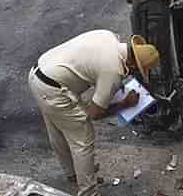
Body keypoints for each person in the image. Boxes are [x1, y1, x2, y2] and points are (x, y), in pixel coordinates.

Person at [28, 30, 160, 196]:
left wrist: (111, 90)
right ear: (133, 66)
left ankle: (74, 174)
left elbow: (93, 65)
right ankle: (88, 192)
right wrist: (125, 104)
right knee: (83, 138)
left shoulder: (109, 36)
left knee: (57, 129)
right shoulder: (113, 71)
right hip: (54, 89)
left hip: (40, 72)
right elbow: (94, 113)